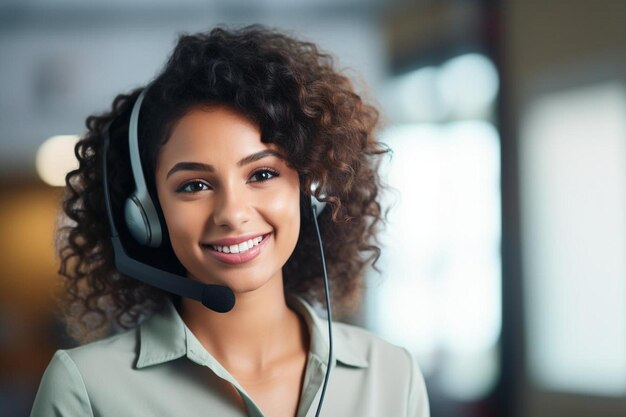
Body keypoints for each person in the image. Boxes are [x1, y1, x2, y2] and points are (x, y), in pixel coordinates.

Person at [30, 26, 429, 417]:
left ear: (310, 189)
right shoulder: (86, 391)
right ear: (146, 212)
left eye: (262, 174)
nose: (232, 214)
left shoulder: (391, 375)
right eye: (195, 185)